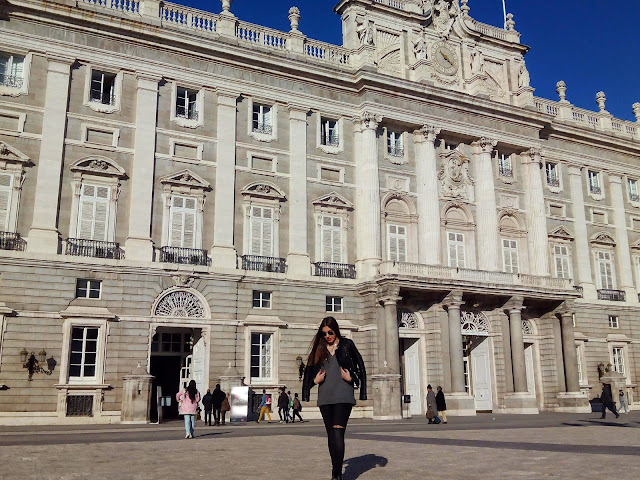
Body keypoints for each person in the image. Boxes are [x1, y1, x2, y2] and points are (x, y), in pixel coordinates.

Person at [302, 316, 367, 480]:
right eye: (324, 333)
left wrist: (352, 379)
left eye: (330, 332)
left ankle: (337, 475)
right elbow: (308, 372)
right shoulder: (319, 349)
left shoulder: (347, 345)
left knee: (338, 433)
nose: (327, 336)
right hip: (325, 397)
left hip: (343, 396)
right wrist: (314, 382)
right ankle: (335, 471)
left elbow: (360, 366)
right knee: (331, 435)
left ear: (336, 330)